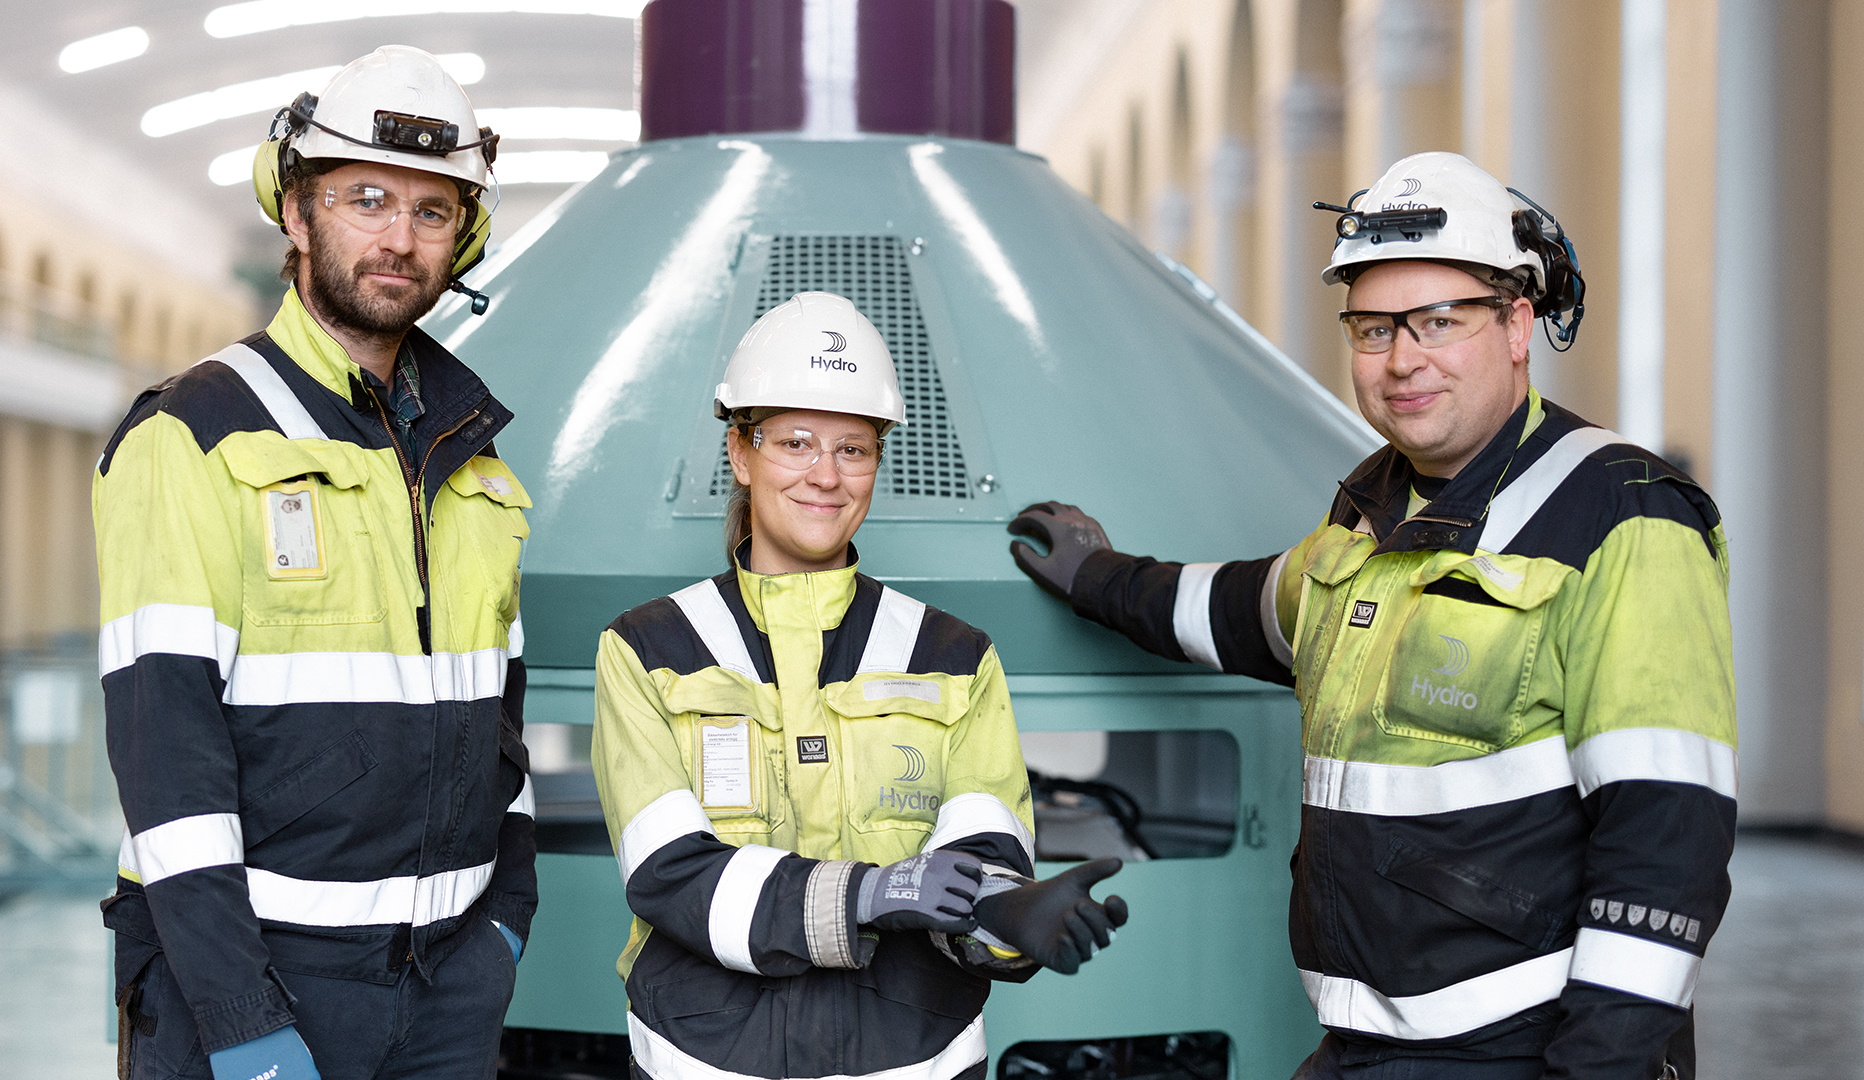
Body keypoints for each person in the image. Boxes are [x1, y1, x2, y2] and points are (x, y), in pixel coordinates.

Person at [1006, 152, 1735, 1080]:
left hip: (1522, 1045)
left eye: (1439, 321)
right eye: (1372, 328)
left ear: (1517, 322)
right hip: (1367, 1041)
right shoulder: (1371, 515)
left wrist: (1600, 1066)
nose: (1402, 361)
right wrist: (1095, 576)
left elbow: (1667, 836)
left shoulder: (1620, 517)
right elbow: (1245, 611)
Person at [94, 46, 535, 1080]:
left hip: (449, 989)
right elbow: (167, 756)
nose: (398, 237)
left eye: (433, 212)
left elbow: (494, 714)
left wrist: (505, 920)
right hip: (254, 985)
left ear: (461, 239)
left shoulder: (472, 463)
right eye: (366, 198)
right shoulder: (193, 433)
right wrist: (242, 1015)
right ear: (296, 215)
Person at [593, 291, 1130, 1080]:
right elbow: (671, 875)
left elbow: (978, 852)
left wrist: (1005, 914)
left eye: (854, 448)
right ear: (741, 454)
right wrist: (865, 896)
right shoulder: (649, 649)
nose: (826, 476)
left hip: (915, 1062)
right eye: (797, 443)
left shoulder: (952, 654)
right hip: (706, 1061)